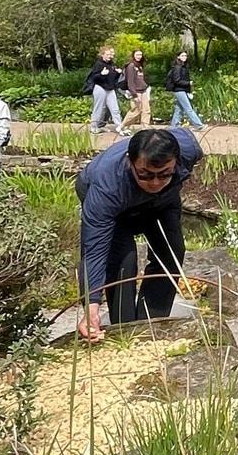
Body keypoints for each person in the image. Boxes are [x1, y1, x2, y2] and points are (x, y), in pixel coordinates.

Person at [75, 128, 203, 341]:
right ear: (129, 162)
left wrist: (164, 183)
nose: (154, 182)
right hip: (116, 205)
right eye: (145, 174)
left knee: (171, 251)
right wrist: (91, 307)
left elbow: (165, 177)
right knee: (124, 261)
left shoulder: (188, 150)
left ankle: (151, 324)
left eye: (164, 174)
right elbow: (95, 250)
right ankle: (124, 329)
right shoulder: (106, 185)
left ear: (177, 161)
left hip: (162, 202)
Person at [83, 46, 126, 135]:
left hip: (110, 89)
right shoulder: (98, 64)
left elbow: (113, 78)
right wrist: (101, 74)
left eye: (110, 54)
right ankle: (94, 127)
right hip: (100, 88)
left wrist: (118, 73)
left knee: (115, 109)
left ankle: (120, 127)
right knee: (98, 108)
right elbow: (93, 77)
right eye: (107, 54)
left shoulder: (111, 64)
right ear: (102, 55)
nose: (109, 56)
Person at [164, 51, 206, 130]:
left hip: (183, 90)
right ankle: (199, 125)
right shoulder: (177, 67)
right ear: (178, 57)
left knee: (179, 109)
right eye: (182, 56)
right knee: (188, 108)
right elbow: (176, 80)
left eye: (185, 56)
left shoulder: (184, 66)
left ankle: (174, 126)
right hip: (179, 90)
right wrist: (188, 83)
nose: (184, 57)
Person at [120, 48, 151, 130]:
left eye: (140, 55)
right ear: (133, 55)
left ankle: (145, 128)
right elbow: (130, 82)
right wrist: (134, 94)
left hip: (143, 90)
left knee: (146, 110)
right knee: (136, 111)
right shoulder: (131, 66)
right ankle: (122, 125)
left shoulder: (140, 65)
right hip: (136, 92)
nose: (139, 56)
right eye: (137, 55)